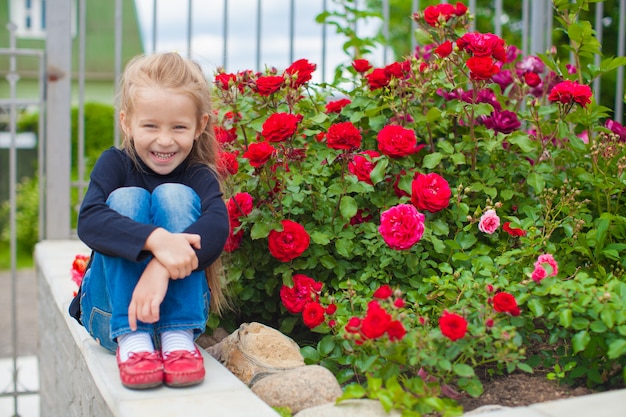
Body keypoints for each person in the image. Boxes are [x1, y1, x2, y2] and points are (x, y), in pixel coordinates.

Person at [69, 52, 230, 390]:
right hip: (111, 316)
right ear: (127, 122)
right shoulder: (114, 164)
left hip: (179, 319)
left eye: (179, 127)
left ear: (200, 126)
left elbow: (217, 228)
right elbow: (90, 220)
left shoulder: (198, 175)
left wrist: (160, 265)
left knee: (175, 195)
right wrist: (157, 240)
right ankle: (134, 341)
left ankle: (177, 338)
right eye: (151, 126)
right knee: (128, 199)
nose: (165, 140)